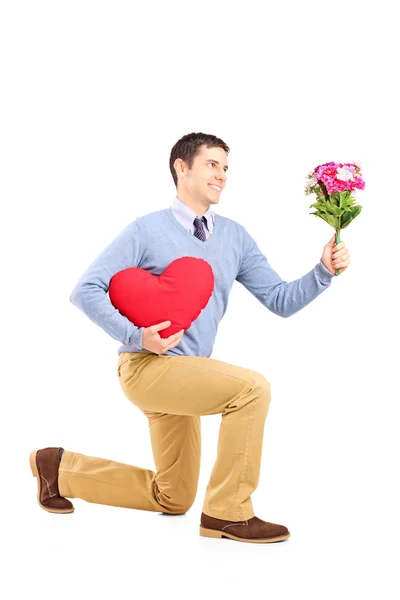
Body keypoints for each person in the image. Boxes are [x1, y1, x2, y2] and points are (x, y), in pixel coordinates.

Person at [29, 132, 350, 544]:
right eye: (212, 164)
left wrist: (323, 270)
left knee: (174, 495)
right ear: (182, 168)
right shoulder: (146, 230)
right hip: (146, 368)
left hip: (186, 374)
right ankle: (228, 513)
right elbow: (85, 289)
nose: (222, 175)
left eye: (226, 168)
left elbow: (279, 300)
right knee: (253, 389)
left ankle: (58, 469)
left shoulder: (235, 237)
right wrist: (137, 336)